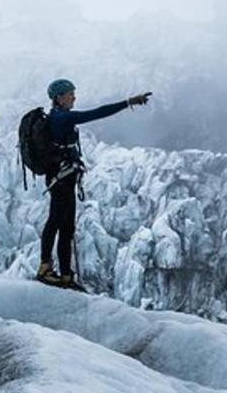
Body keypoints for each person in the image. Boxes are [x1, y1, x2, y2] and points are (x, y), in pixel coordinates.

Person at [38, 78, 151, 290]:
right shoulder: (61, 118)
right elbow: (96, 113)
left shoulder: (59, 117)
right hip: (61, 178)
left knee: (67, 226)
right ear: (59, 98)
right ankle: (45, 268)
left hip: (65, 177)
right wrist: (128, 102)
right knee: (56, 221)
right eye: (70, 93)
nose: (74, 97)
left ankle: (64, 274)